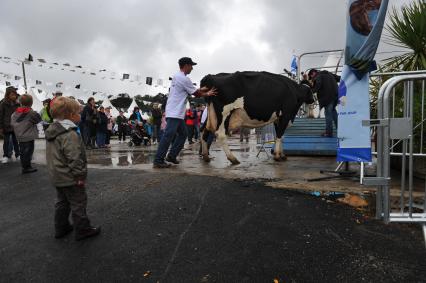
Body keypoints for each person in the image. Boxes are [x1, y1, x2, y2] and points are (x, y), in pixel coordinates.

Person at [44, 96, 100, 241]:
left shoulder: (52, 131)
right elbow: (74, 158)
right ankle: (83, 229)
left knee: (62, 202)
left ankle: (61, 227)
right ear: (70, 115)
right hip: (70, 177)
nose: (80, 115)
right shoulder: (69, 134)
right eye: (77, 112)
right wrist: (80, 176)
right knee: (78, 202)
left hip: (57, 175)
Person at [153, 57, 217, 168]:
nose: (192, 68)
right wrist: (208, 93)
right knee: (168, 135)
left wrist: (202, 89)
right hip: (174, 112)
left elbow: (192, 89)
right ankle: (158, 160)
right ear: (186, 65)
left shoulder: (178, 77)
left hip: (175, 112)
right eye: (191, 66)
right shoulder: (183, 78)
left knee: (183, 134)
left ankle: (172, 156)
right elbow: (196, 93)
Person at [10, 94, 42, 173]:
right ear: (31, 103)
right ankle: (26, 167)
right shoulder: (31, 112)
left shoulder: (15, 113)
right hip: (29, 136)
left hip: (20, 136)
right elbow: (38, 119)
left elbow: (12, 123)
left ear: (20, 102)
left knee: (23, 152)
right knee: (28, 152)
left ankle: (25, 166)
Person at [308, 69, 340, 137]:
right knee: (333, 112)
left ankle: (328, 132)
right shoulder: (329, 73)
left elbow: (318, 86)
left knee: (328, 113)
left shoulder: (318, 76)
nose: (312, 79)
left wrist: (310, 92)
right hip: (335, 96)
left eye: (311, 77)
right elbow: (340, 78)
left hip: (327, 97)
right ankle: (340, 129)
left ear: (313, 73)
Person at [0, 86, 20, 163]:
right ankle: (5, 156)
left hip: (15, 126)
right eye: (12, 94)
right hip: (6, 126)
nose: (14, 96)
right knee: (6, 142)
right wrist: (1, 127)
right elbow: (1, 115)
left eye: (14, 95)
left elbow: (19, 115)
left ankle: (18, 155)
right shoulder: (3, 104)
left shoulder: (18, 104)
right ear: (7, 95)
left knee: (16, 141)